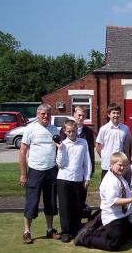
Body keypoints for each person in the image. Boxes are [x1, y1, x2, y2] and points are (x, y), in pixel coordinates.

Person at [75, 152, 132, 251]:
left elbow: (124, 193)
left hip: (123, 214)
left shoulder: (120, 178)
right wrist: (130, 200)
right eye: (119, 165)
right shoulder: (110, 181)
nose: (122, 168)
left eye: (124, 165)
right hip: (112, 215)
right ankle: (86, 237)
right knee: (113, 244)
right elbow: (113, 201)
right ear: (112, 165)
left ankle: (100, 229)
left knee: (127, 237)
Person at [19, 104, 61, 244]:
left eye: (48, 114)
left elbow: (59, 149)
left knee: (50, 202)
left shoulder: (54, 129)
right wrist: (23, 174)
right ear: (37, 114)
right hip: (35, 171)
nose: (45, 116)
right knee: (32, 202)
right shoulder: (30, 129)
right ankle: (27, 232)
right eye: (42, 114)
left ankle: (50, 229)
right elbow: (22, 152)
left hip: (51, 171)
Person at [55, 120, 92, 243]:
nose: (71, 134)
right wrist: (60, 149)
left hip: (78, 179)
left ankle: (75, 229)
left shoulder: (83, 143)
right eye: (69, 131)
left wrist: (87, 177)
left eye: (73, 131)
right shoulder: (63, 144)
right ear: (65, 132)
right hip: (64, 179)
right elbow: (60, 164)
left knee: (77, 205)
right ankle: (66, 231)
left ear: (77, 130)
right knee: (65, 206)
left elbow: (87, 161)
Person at [60, 105, 96, 215]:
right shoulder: (64, 130)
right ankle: (68, 227)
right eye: (79, 115)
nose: (81, 118)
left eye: (83, 116)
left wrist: (89, 173)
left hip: (82, 173)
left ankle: (78, 225)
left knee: (80, 200)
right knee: (68, 201)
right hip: (66, 173)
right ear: (74, 115)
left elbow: (90, 153)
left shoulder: (88, 132)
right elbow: (60, 150)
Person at [96, 103, 131, 180]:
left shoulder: (125, 129)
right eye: (113, 113)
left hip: (120, 164)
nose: (116, 115)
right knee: (106, 187)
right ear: (109, 114)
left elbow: (128, 145)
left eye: (118, 113)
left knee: (120, 187)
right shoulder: (103, 129)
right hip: (107, 164)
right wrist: (104, 156)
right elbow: (98, 146)